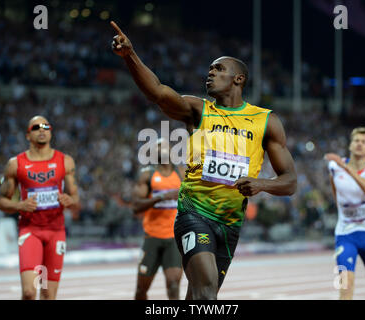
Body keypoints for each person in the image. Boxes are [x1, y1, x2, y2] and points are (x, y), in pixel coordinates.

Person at [110, 21, 297, 300]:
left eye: (219, 69)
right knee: (207, 292)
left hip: (230, 223)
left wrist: (261, 184)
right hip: (194, 214)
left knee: (197, 296)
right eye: (210, 69)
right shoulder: (198, 110)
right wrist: (130, 56)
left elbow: (290, 181)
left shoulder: (266, 121)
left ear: (238, 79)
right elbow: (158, 92)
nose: (210, 73)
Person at [0, 115, 80, 300]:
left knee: (48, 294)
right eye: (36, 127)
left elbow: (76, 198)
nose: (42, 130)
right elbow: (2, 202)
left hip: (56, 231)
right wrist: (19, 205)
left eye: (46, 126)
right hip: (30, 230)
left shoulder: (65, 161)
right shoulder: (15, 164)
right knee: (29, 292)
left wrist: (70, 200)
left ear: (51, 132)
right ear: (28, 135)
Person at [325, 127, 365, 300]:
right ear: (350, 145)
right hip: (345, 235)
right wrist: (342, 167)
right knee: (346, 286)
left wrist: (346, 168)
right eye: (356, 141)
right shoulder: (334, 167)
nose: (359, 144)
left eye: (364, 142)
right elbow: (335, 193)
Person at [132, 138, 184, 300]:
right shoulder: (147, 174)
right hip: (152, 237)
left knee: (174, 283)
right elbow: (135, 206)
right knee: (141, 289)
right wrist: (160, 197)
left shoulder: (181, 173)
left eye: (165, 146)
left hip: (173, 238)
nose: (162, 149)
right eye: (158, 147)